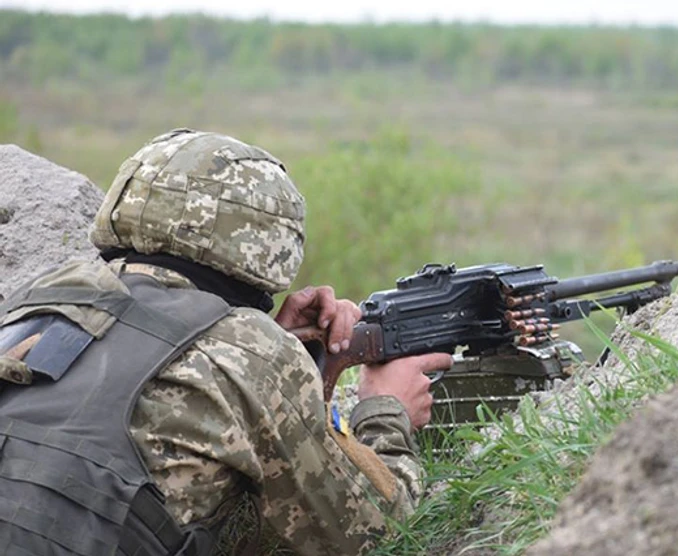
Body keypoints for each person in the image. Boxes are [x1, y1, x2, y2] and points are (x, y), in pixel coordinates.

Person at [0, 128, 451, 555]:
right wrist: (386, 410)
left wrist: (277, 356)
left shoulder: (43, 300)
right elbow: (378, 531)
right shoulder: (249, 352)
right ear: (264, 242)